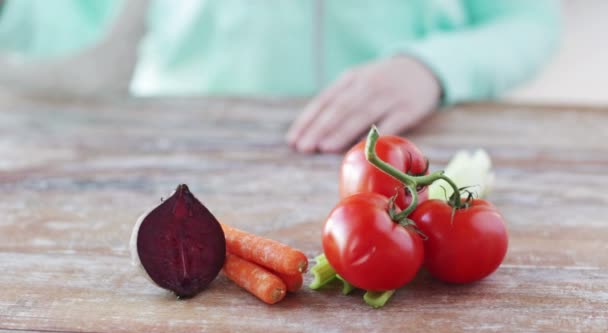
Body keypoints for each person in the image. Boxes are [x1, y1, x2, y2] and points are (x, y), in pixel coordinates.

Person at [0, 0, 560, 153]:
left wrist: (433, 68)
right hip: (185, 147)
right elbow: (62, 16)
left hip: (396, 157)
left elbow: (529, 20)